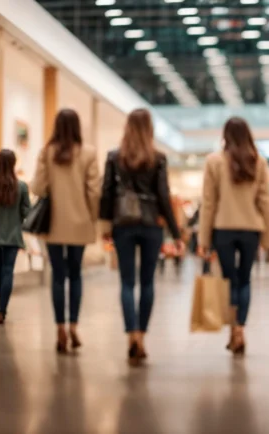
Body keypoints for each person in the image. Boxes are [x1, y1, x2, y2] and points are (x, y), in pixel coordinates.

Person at [99, 108, 183, 366]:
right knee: (147, 283)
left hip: (123, 224)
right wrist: (176, 232)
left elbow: (107, 193)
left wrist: (105, 225)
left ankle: (131, 335)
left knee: (126, 282)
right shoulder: (157, 158)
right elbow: (163, 196)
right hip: (150, 225)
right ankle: (142, 338)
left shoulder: (114, 157)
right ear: (150, 130)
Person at [199, 117, 269, 356]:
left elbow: (209, 203)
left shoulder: (214, 162)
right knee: (245, 279)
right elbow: (265, 201)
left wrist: (203, 239)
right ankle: (240, 329)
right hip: (251, 229)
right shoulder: (258, 162)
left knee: (228, 279)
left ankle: (232, 329)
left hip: (223, 228)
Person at [31, 108, 101, 354]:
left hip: (53, 224)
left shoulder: (46, 152)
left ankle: (59, 326)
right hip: (80, 223)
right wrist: (92, 219)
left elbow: (38, 188)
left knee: (58, 276)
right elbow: (94, 192)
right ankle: (73, 325)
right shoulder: (89, 153)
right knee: (76, 275)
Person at [0, 150, 31, 324]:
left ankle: (2, 305)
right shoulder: (22, 186)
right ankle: (2, 308)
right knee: (8, 271)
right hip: (13, 236)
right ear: (13, 164)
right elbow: (27, 211)